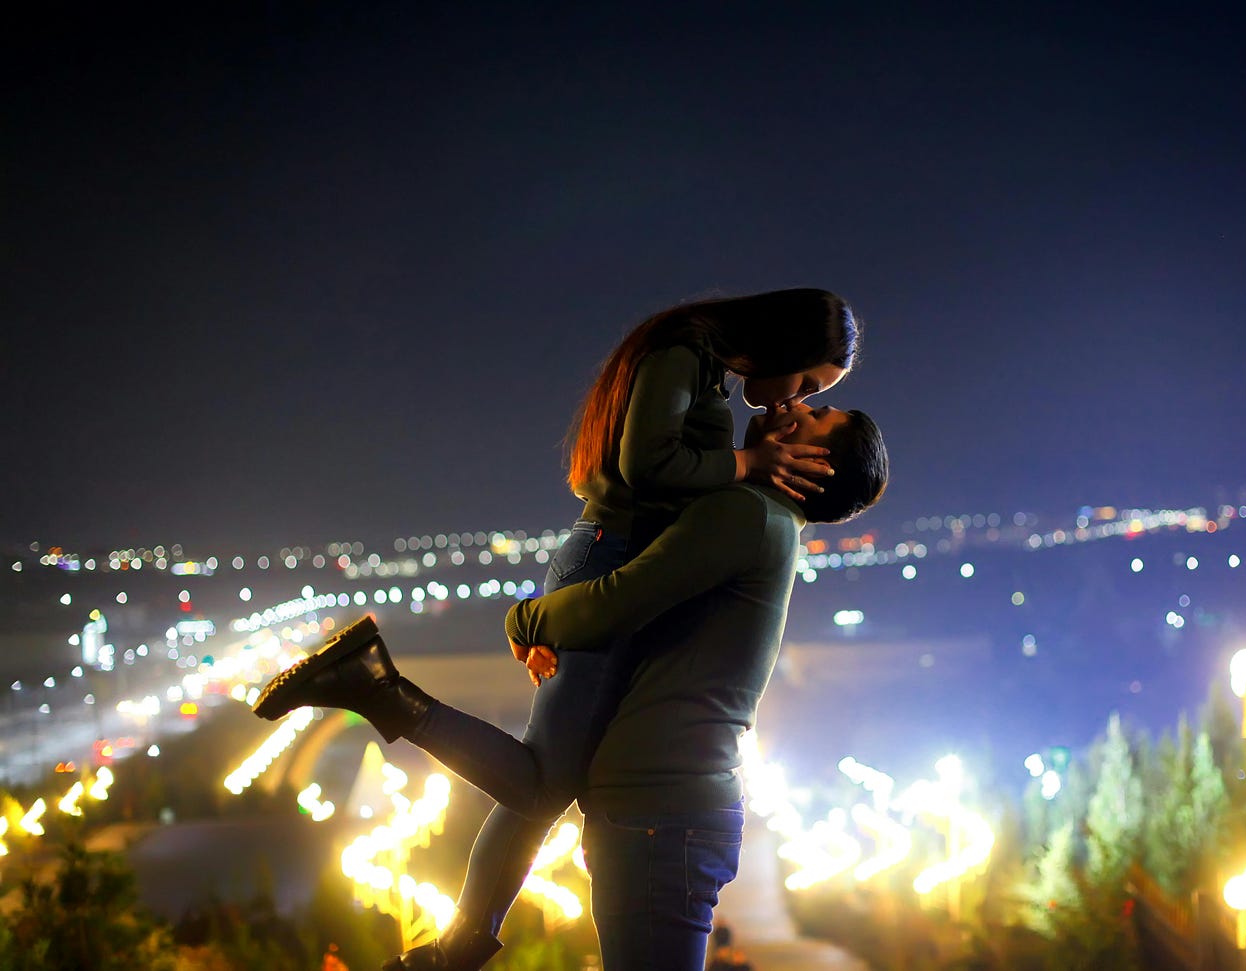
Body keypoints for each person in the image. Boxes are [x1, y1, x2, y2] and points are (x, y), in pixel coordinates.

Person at [256, 290, 861, 967]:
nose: (792, 402)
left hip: (613, 561)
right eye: (809, 381)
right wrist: (749, 464)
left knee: (545, 784)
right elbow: (648, 465)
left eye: (814, 398)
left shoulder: (710, 381)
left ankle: (464, 941)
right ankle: (373, 686)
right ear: (785, 341)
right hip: (607, 558)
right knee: (542, 783)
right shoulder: (685, 351)